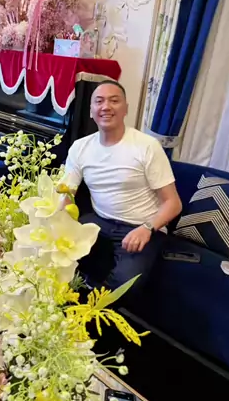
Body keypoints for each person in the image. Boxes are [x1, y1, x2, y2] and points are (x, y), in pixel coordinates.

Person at [63, 80, 182, 298]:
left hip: (141, 226)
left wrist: (147, 228)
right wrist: (61, 224)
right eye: (99, 101)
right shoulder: (80, 147)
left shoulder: (147, 146)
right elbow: (66, 194)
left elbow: (173, 203)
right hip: (100, 220)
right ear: (91, 110)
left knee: (124, 287)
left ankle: (89, 310)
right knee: (52, 254)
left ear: (126, 108)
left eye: (114, 101)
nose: (106, 107)